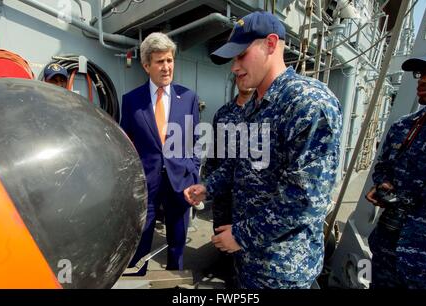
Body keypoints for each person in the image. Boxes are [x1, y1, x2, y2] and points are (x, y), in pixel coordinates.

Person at [184, 11, 342, 288]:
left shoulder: (308, 103)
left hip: (282, 268)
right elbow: (241, 164)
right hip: (249, 259)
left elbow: (306, 199)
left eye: (241, 55)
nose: (234, 67)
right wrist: (208, 186)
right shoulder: (256, 106)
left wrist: (242, 235)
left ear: (270, 44)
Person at [120, 32, 200, 275]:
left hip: (180, 181)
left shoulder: (188, 98)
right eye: (160, 62)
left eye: (170, 60)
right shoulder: (131, 101)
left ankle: (176, 278)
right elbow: (127, 143)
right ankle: (138, 276)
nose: (166, 67)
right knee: (142, 237)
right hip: (147, 182)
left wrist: (193, 172)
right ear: (146, 65)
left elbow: (197, 140)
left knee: (178, 237)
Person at [365, 47, 426, 289]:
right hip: (389, 249)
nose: (423, 80)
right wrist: (383, 184)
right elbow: (384, 166)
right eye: (422, 73)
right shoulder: (405, 127)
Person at [202, 75, 254, 287]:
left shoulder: (264, 113)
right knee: (222, 235)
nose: (244, 81)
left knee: (245, 244)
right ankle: (226, 274)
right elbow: (214, 154)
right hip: (223, 193)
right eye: (239, 78)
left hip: (250, 196)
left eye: (247, 76)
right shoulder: (223, 113)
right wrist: (208, 187)